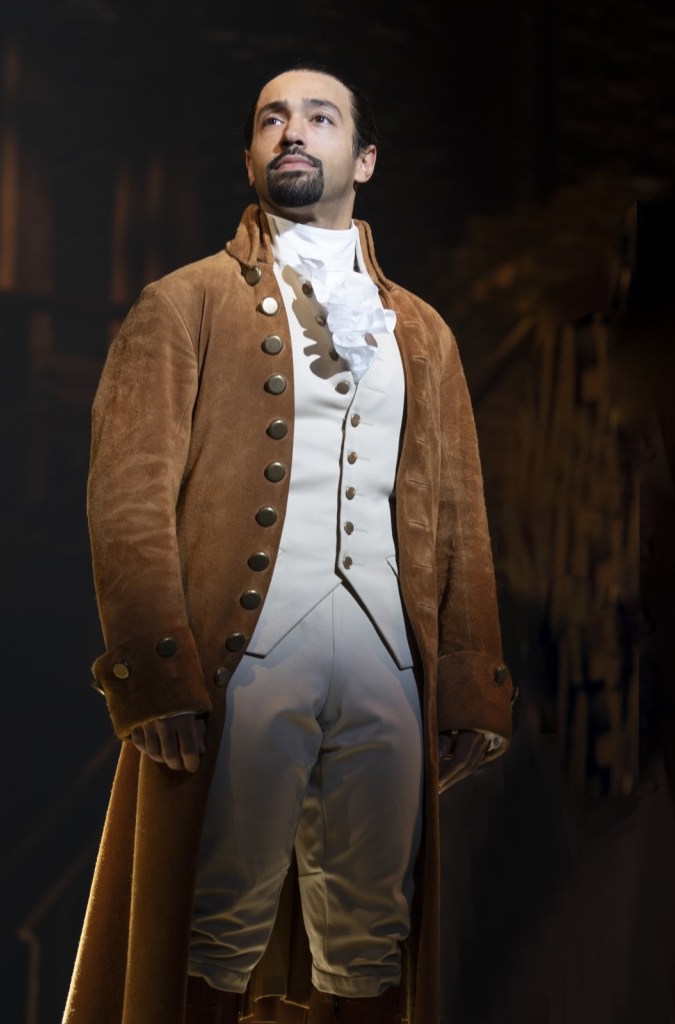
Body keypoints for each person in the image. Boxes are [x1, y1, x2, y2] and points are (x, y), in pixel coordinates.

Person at [63, 63, 516, 1024]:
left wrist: (469, 676)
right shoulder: (182, 302)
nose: (293, 130)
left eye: (319, 116)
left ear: (365, 157)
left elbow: (459, 515)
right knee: (214, 921)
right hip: (247, 654)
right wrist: (153, 675)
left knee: (370, 933)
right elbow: (129, 499)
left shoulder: (422, 334)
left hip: (387, 659)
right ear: (251, 154)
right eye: (273, 118)